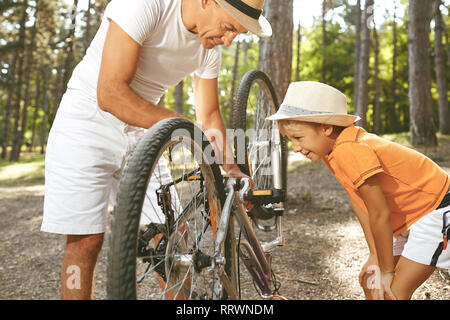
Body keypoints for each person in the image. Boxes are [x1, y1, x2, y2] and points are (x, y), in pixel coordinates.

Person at [41, 0, 271, 300]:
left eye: (236, 34)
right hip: (86, 121)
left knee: (174, 240)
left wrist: (231, 168)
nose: (228, 42)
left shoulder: (208, 48)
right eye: (229, 28)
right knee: (85, 242)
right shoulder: (145, 4)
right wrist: (180, 124)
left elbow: (210, 116)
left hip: (144, 130)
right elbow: (110, 93)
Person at [266, 81, 450, 300]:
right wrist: (375, 255)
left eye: (298, 137)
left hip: (435, 210)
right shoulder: (330, 150)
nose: (295, 147)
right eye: (290, 140)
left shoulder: (349, 149)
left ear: (326, 128)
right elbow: (359, 202)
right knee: (371, 283)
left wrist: (388, 270)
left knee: (393, 292)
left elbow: (380, 213)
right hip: (410, 216)